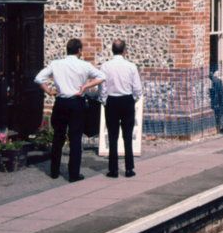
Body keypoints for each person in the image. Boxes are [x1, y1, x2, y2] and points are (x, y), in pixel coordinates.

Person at [35, 38, 105, 182]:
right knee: (75, 139)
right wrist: (85, 86)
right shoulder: (85, 65)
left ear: (67, 49)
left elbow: (38, 78)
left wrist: (48, 91)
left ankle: (54, 171)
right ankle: (74, 174)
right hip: (76, 102)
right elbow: (102, 77)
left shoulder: (56, 64)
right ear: (79, 50)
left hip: (60, 102)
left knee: (58, 137)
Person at [99, 39, 142, 178]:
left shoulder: (105, 66)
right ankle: (129, 168)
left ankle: (113, 169)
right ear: (125, 51)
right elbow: (137, 87)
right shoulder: (131, 66)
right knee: (127, 135)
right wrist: (134, 98)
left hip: (112, 100)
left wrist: (104, 100)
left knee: (112, 136)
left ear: (112, 50)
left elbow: (102, 87)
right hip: (126, 99)